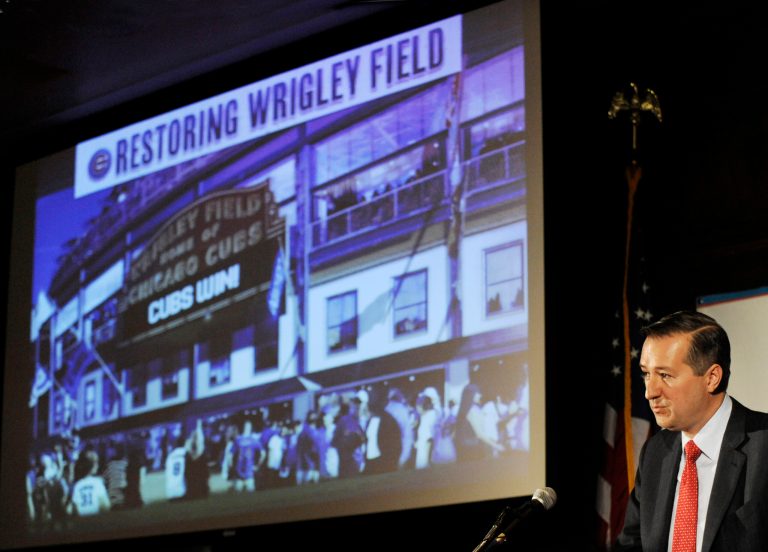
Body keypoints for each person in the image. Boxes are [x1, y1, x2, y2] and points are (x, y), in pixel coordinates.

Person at [614, 310, 768, 552]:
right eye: (646, 374)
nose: (649, 392)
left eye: (665, 375)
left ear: (712, 378)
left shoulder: (763, 446)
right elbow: (630, 545)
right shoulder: (655, 452)